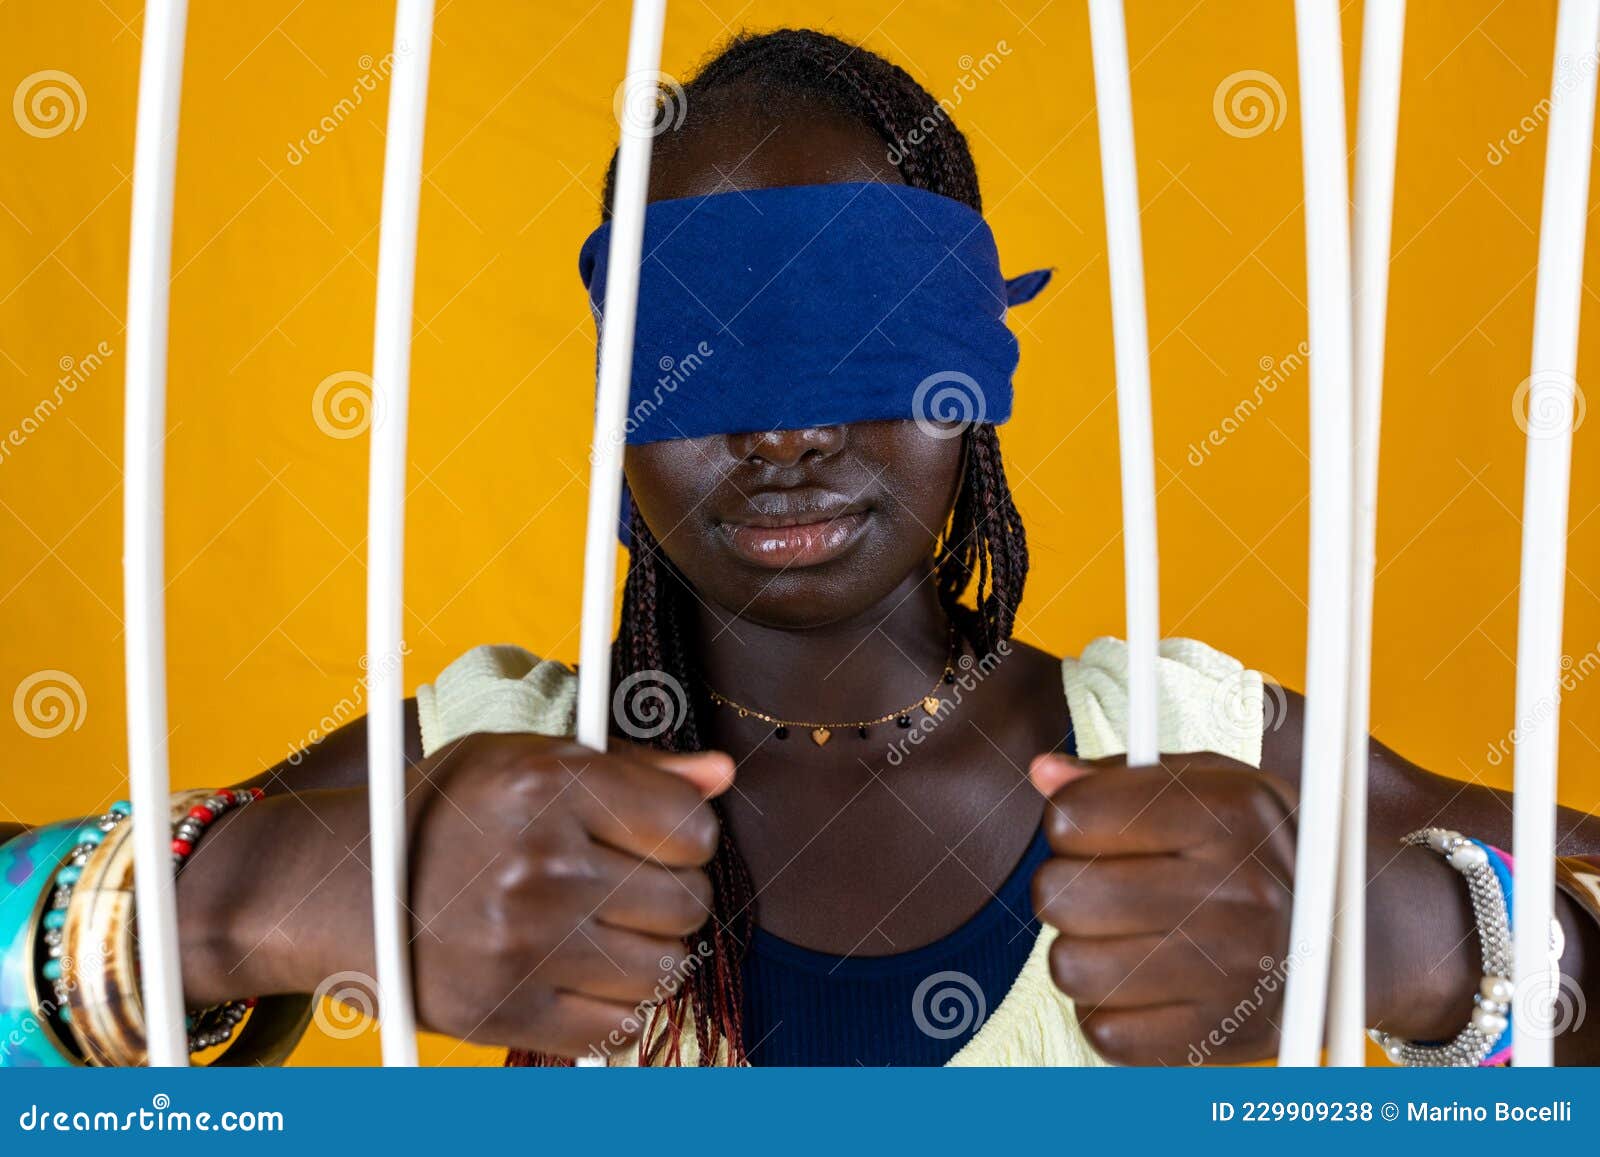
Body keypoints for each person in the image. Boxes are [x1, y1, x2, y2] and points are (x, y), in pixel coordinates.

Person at [5, 27, 1599, 1069]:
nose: (780, 435)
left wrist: (1416, 942)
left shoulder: (1194, 742)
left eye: (858, 331)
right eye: (707, 354)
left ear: (973, 374)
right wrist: (257, 898)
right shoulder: (490, 756)